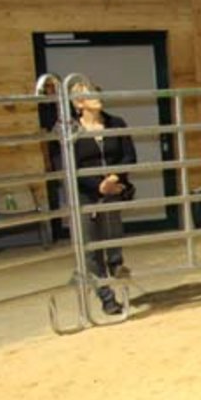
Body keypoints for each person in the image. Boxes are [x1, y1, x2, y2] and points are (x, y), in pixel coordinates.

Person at [70, 81, 136, 315]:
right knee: (91, 248)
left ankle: (116, 263)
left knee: (111, 233)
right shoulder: (70, 130)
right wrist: (98, 185)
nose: (97, 97)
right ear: (79, 103)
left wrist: (114, 178)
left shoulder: (116, 123)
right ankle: (106, 296)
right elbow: (66, 165)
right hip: (86, 193)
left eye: (97, 92)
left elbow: (129, 156)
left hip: (113, 189)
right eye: (90, 95)